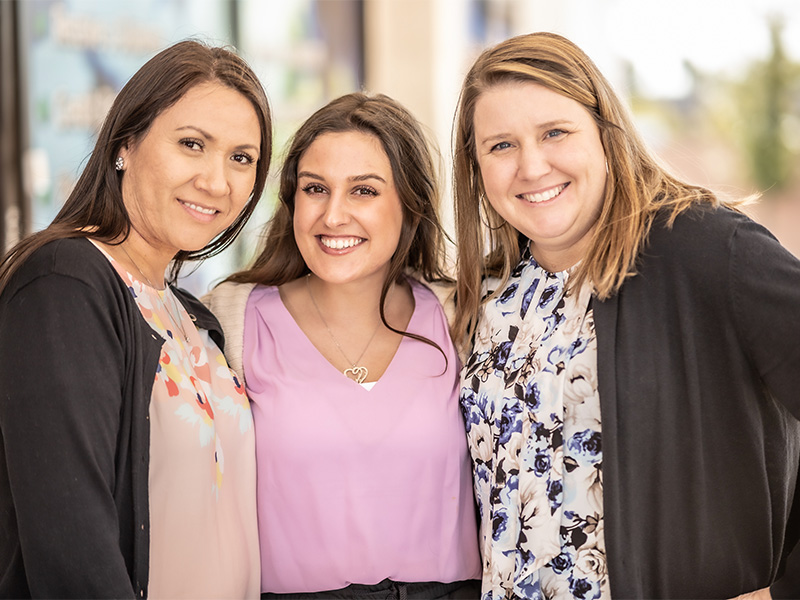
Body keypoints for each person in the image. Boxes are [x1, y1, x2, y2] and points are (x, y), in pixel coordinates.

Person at [451, 31, 800, 600]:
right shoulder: (485, 297)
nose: (532, 166)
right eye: (501, 146)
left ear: (605, 134)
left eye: (555, 133)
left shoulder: (708, 249)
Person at [0, 40, 272, 598]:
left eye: (241, 158)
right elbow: (70, 544)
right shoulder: (66, 282)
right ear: (126, 143)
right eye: (192, 144)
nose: (217, 182)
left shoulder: (191, 316)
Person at [202, 92, 481, 599]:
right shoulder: (232, 318)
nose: (333, 215)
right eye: (316, 189)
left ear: (411, 206)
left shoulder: (460, 316)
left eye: (364, 191)